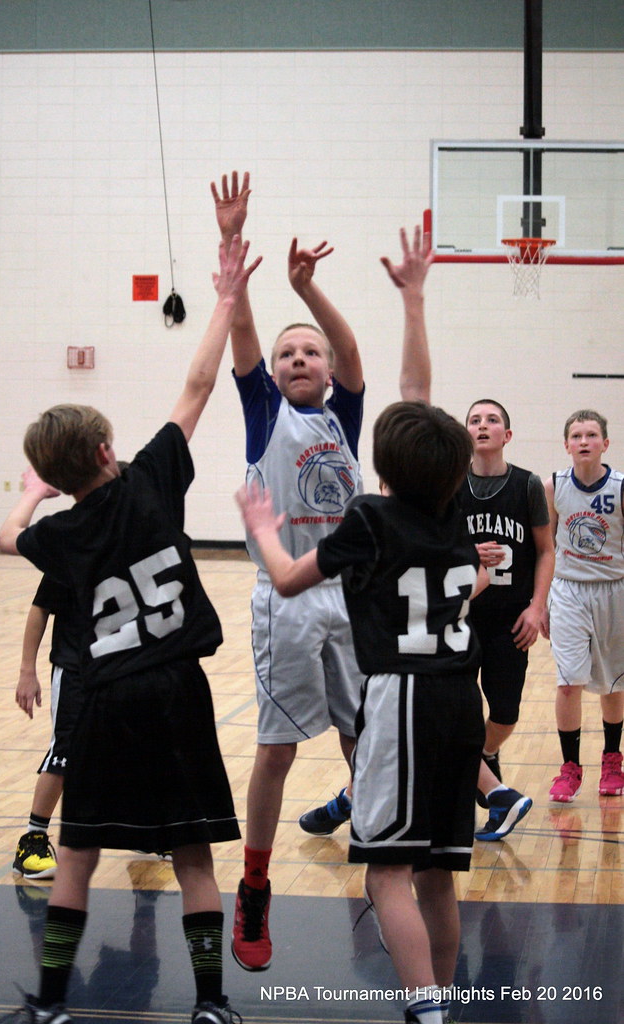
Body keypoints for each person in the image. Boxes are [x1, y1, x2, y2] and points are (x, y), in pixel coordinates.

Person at [0, 234, 261, 1024]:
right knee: (191, 858)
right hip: (176, 690)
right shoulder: (152, 482)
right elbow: (199, 381)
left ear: (60, 475)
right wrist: (222, 295)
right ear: (110, 450)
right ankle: (210, 1001)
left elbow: (8, 539)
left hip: (103, 696)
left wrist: (30, 495)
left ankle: (48, 1000)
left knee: (75, 855)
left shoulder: (59, 533)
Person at [211, 171, 432, 972]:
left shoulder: (340, 412)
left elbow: (356, 355)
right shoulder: (266, 412)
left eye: (310, 351)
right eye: (287, 353)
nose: (299, 357)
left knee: (360, 737)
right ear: (271, 373)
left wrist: (312, 288)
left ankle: (386, 864)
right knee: (277, 750)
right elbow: (241, 339)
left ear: (328, 370)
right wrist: (234, 248)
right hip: (286, 598)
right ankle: (256, 883)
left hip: (351, 593)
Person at [235, 397, 488, 1024]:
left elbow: (290, 578)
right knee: (437, 874)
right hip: (462, 699)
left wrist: (264, 529)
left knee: (386, 873)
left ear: (381, 471)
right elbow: (419, 390)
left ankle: (423, 1010)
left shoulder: (369, 517)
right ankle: (443, 1005)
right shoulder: (457, 516)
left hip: (403, 697)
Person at [459, 400, 554, 841]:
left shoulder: (527, 485)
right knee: (455, 711)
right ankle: (480, 783)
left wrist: (537, 607)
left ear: (507, 435)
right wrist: (466, 554)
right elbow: (435, 545)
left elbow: (546, 550)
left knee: (505, 712)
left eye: (491, 420)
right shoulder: (450, 485)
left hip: (511, 618)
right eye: (475, 420)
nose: (483, 426)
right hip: (460, 617)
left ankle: (485, 755)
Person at [544, 408, 624, 802]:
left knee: (613, 681)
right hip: (569, 589)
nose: (584, 442)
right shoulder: (554, 485)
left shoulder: (622, 487)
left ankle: (612, 759)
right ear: (566, 445)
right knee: (568, 681)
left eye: (591, 435)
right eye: (576, 436)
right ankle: (570, 768)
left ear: (605, 444)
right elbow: (544, 549)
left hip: (614, 589)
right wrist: (538, 601)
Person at [12, 574, 84, 880]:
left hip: (126, 666)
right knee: (65, 753)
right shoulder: (71, 543)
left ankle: (144, 830)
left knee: (138, 745)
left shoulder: (139, 543)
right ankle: (32, 840)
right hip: (76, 669)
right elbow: (40, 608)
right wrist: (28, 671)